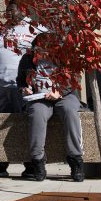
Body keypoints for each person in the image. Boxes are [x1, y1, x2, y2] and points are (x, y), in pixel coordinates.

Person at [16, 32, 85, 183]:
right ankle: (38, 160)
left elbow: (75, 77)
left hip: (64, 95)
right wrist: (24, 89)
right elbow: (20, 80)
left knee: (70, 111)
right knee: (36, 113)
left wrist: (59, 91)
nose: (40, 53)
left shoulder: (64, 57)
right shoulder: (28, 59)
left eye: (44, 49)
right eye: (37, 49)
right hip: (39, 97)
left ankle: (75, 159)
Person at [0, 2, 40, 177]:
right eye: (6, 11)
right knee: (1, 127)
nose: (7, 14)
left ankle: (29, 166)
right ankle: (1, 165)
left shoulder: (34, 30)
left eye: (11, 10)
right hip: (1, 86)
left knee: (22, 125)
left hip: (22, 86)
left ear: (23, 10)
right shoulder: (0, 32)